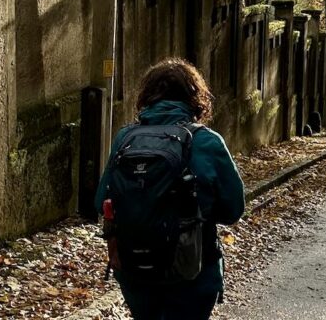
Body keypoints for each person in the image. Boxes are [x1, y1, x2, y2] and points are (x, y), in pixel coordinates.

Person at [94, 58, 246, 320]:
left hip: (135, 269)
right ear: (195, 98)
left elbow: (101, 202)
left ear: (147, 96)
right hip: (193, 270)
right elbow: (233, 210)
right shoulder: (207, 142)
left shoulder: (125, 138)